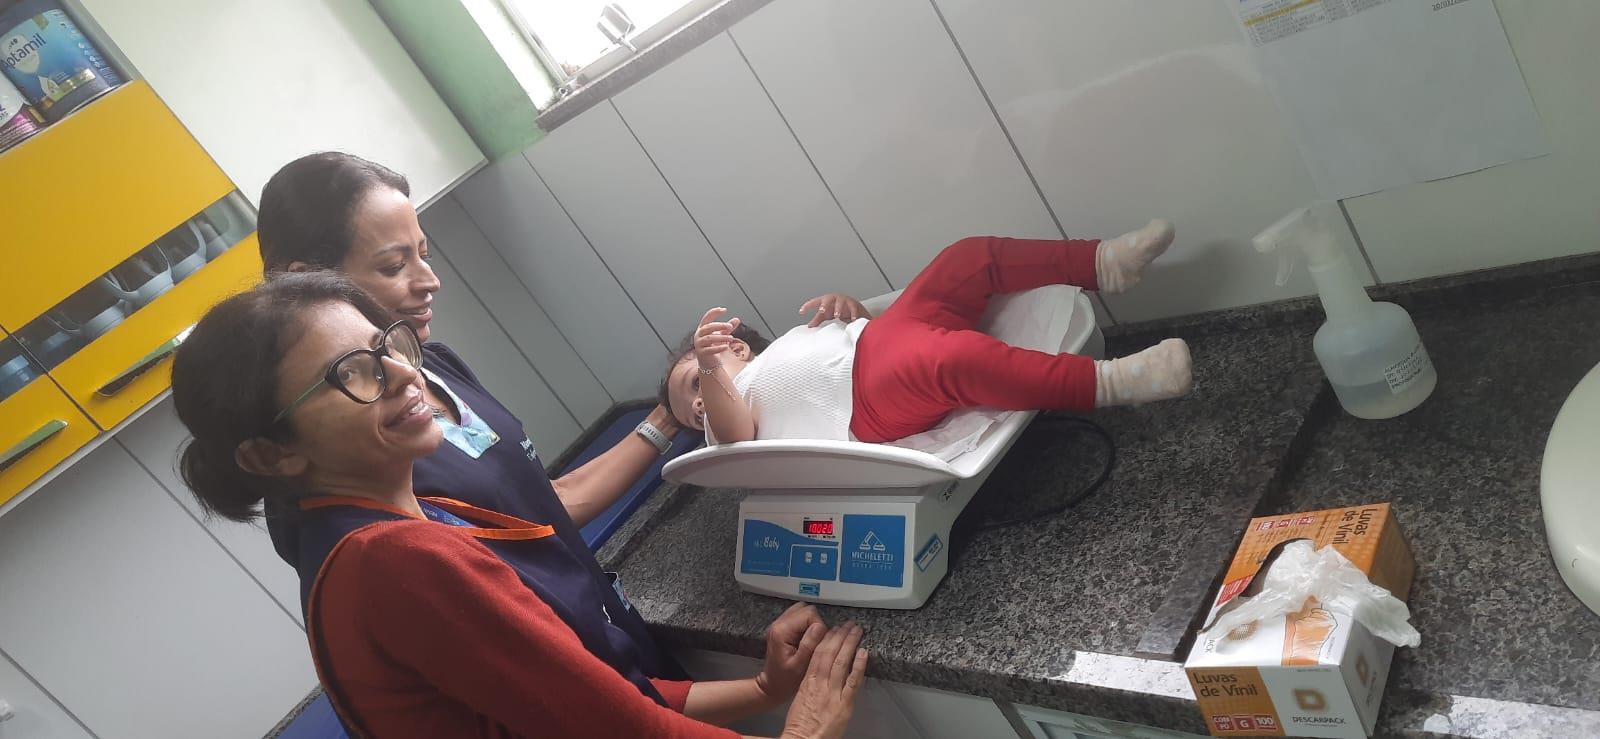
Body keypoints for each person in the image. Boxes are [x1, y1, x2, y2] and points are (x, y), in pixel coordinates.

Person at [170, 272, 868, 738]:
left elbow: (595, 698)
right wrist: (804, 732)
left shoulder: (406, 527)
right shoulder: (395, 561)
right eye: (350, 373)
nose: (404, 374)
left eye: (386, 347)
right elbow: (623, 731)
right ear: (271, 455)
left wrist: (763, 688)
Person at [256, 152, 700, 686]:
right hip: (562, 688)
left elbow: (541, 508)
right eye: (394, 266)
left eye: (423, 254)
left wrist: (668, 417)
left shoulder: (434, 366)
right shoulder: (346, 458)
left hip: (609, 637)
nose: (430, 280)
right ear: (308, 283)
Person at [661, 225, 1194, 446]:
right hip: (866, 402)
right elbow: (734, 434)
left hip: (882, 336)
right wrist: (707, 373)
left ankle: (1102, 262)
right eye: (690, 416)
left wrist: (847, 307)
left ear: (737, 346)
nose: (698, 407)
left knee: (968, 257)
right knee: (952, 361)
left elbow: (854, 328)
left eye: (691, 389)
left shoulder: (780, 349)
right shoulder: (726, 421)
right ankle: (1115, 382)